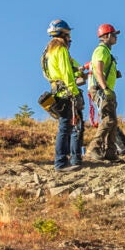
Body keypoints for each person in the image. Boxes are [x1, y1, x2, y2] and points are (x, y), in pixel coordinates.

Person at [87, 23, 125, 162]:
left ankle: (110, 151)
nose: (116, 37)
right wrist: (104, 88)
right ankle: (93, 148)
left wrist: (115, 74)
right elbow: (98, 69)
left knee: (113, 121)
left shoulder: (106, 51)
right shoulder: (101, 50)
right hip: (102, 90)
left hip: (106, 89)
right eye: (114, 34)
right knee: (108, 120)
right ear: (106, 36)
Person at [41, 19, 85, 169]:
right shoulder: (61, 50)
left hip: (55, 91)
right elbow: (67, 74)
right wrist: (75, 93)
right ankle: (60, 162)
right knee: (66, 127)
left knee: (66, 126)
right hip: (65, 93)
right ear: (64, 33)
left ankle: (65, 161)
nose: (69, 37)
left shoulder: (48, 51)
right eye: (68, 34)